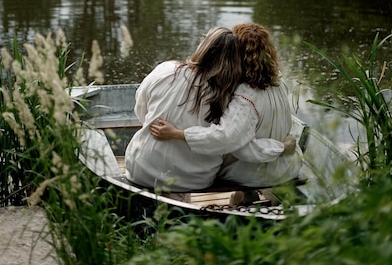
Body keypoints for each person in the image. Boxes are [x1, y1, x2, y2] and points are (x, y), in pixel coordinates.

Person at [150, 22, 302, 190]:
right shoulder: (278, 80)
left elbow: (228, 139)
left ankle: (242, 195)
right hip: (290, 167)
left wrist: (178, 134)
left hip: (256, 175)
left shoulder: (246, 94)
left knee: (209, 162)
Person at [124, 26, 243, 192]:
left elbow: (141, 110)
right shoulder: (231, 94)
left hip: (141, 172)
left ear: (203, 46)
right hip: (194, 181)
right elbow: (226, 138)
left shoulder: (166, 69)